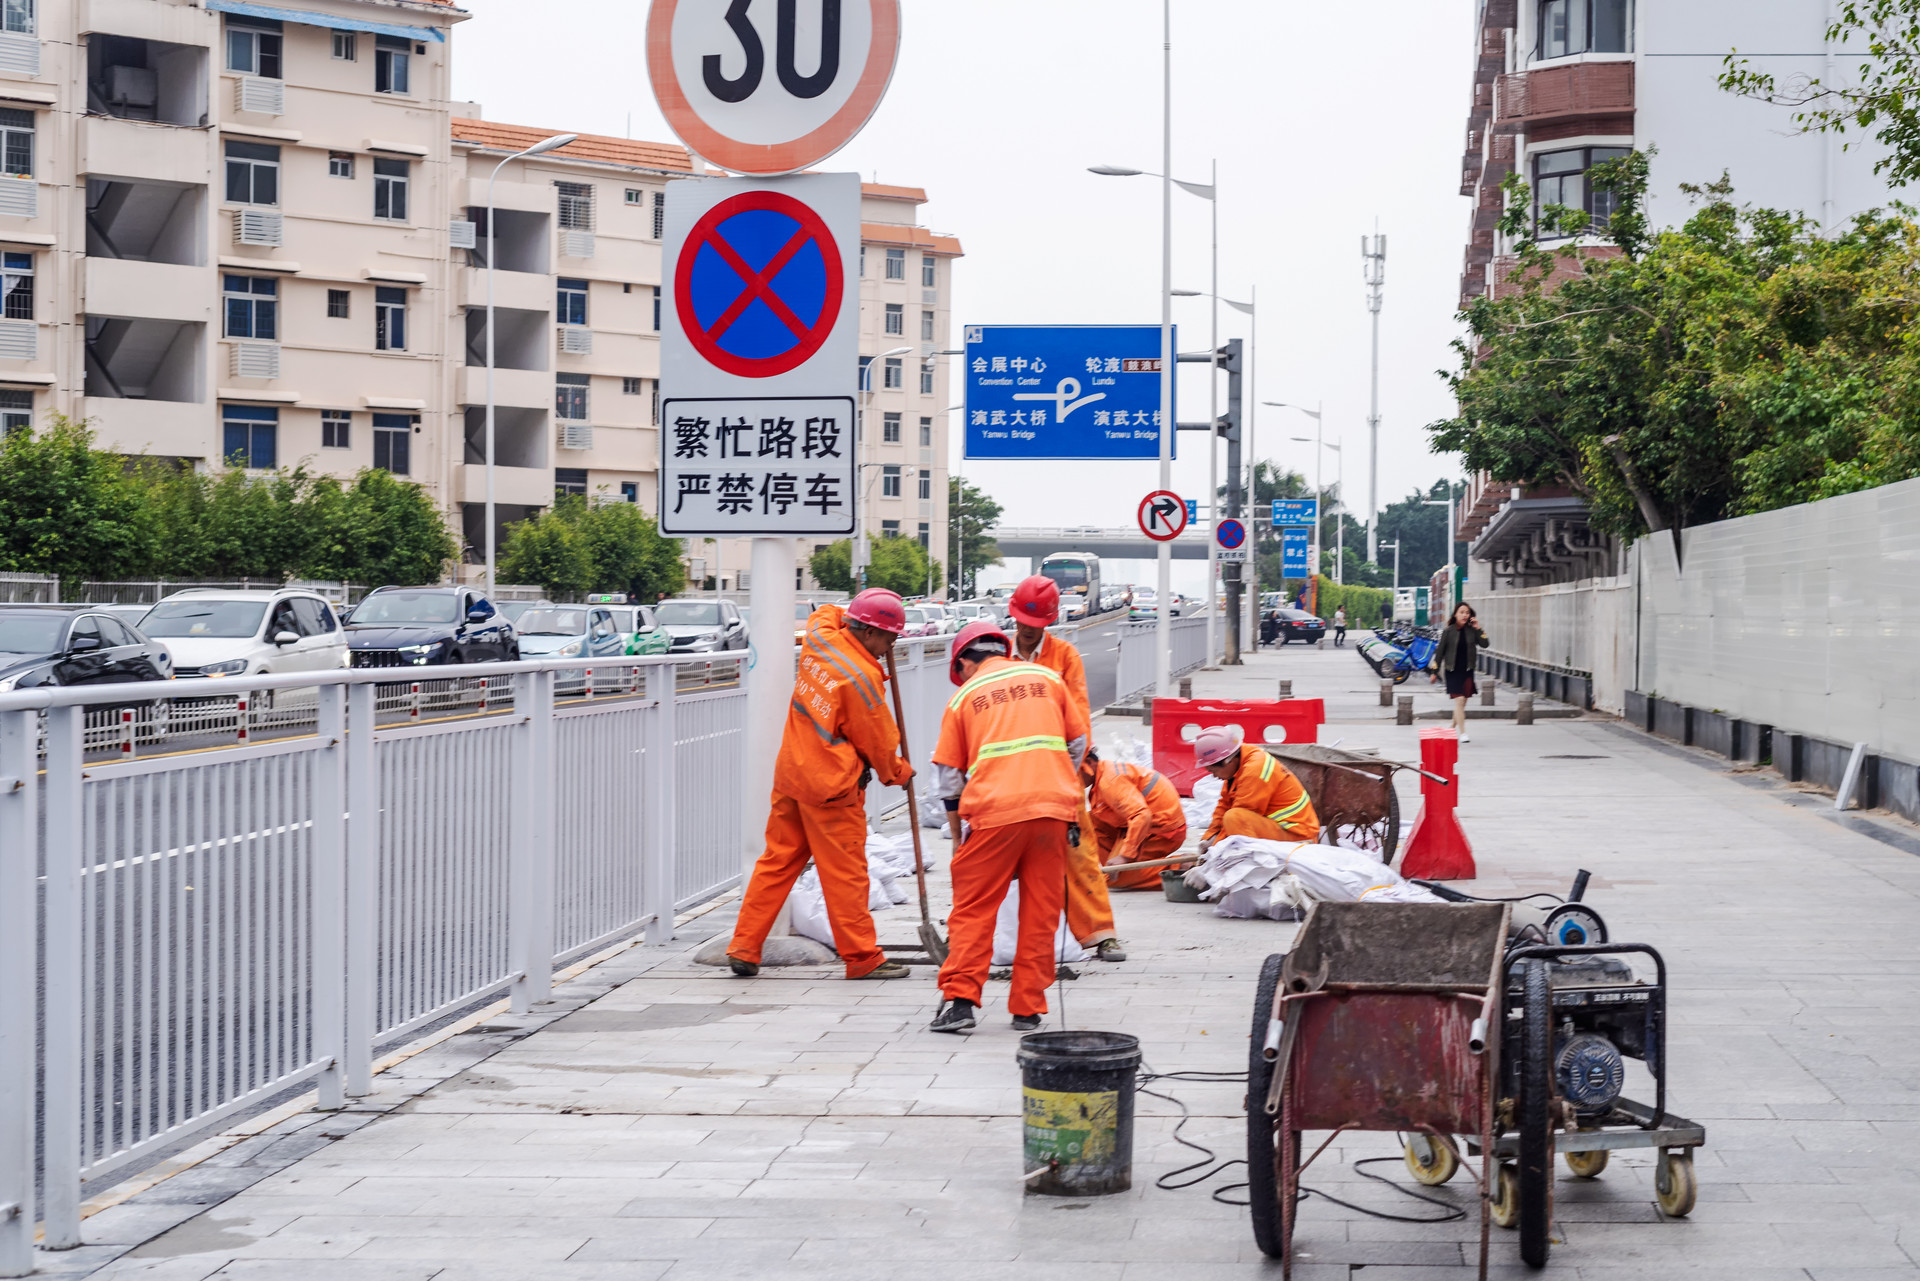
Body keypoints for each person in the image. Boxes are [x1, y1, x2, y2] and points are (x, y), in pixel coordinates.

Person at [727, 590, 915, 981]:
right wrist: (900, 773)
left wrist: (862, 609)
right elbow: (879, 746)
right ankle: (863, 959)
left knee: (776, 864)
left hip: (792, 776)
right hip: (831, 791)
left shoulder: (819, 638)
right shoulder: (863, 682)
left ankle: (745, 947)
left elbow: (826, 612)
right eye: (889, 638)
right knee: (845, 876)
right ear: (868, 634)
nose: (890, 646)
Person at [929, 621, 1092, 1033]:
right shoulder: (1047, 678)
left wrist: (955, 834)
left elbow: (949, 777)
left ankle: (960, 1002)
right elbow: (1078, 742)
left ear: (965, 661)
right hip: (1052, 813)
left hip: (992, 815)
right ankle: (1027, 1008)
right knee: (1040, 911)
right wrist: (1058, 782)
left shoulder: (964, 697)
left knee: (974, 910)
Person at [1007, 575, 1126, 963]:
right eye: (1022, 623)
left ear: (1049, 622)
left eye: (1036, 625)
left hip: (1059, 770)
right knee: (1003, 854)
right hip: (1008, 773)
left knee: (1077, 849)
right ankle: (1007, 933)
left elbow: (1077, 719)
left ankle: (1099, 931)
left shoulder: (1064, 657)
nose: (1027, 631)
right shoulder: (998, 656)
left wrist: (1068, 772)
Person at [1193, 728, 1320, 854]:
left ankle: (1248, 862)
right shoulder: (1238, 766)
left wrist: (1213, 849)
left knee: (1234, 818)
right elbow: (1224, 805)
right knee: (1231, 817)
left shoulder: (1255, 770)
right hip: (1282, 829)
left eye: (1214, 771)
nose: (1214, 776)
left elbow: (1241, 818)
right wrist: (1208, 838)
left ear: (1228, 761)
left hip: (1299, 836)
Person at [1083, 749, 1189, 890]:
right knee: (1086, 822)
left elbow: (1141, 815)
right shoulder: (1104, 774)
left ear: (1089, 763)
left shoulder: (1110, 781)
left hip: (1161, 831)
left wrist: (1125, 856)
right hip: (1143, 825)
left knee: (1113, 878)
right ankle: (1116, 864)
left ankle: (1181, 866)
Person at [1436, 602, 1489, 743]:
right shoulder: (1448, 631)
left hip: (1467, 671)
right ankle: (1463, 733)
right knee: (1459, 700)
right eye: (1462, 612)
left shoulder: (1472, 631)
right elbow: (1440, 652)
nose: (1465, 615)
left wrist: (1478, 628)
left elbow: (1485, 643)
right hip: (1452, 670)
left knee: (1462, 703)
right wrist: (1434, 671)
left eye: (1467, 612)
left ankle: (1452, 727)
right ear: (1455, 614)